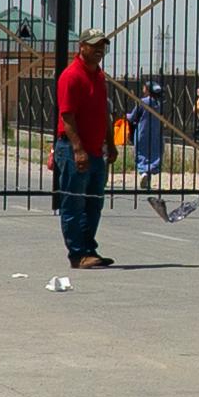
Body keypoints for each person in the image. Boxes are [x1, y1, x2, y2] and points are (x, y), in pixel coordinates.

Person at [52, 30, 118, 271]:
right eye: (95, 46)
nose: (100, 50)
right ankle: (77, 253)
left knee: (94, 202)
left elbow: (104, 113)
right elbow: (67, 116)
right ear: (82, 47)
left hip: (95, 149)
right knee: (74, 202)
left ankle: (89, 249)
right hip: (73, 148)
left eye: (103, 46)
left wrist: (110, 143)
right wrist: (78, 149)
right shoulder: (71, 76)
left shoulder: (99, 77)